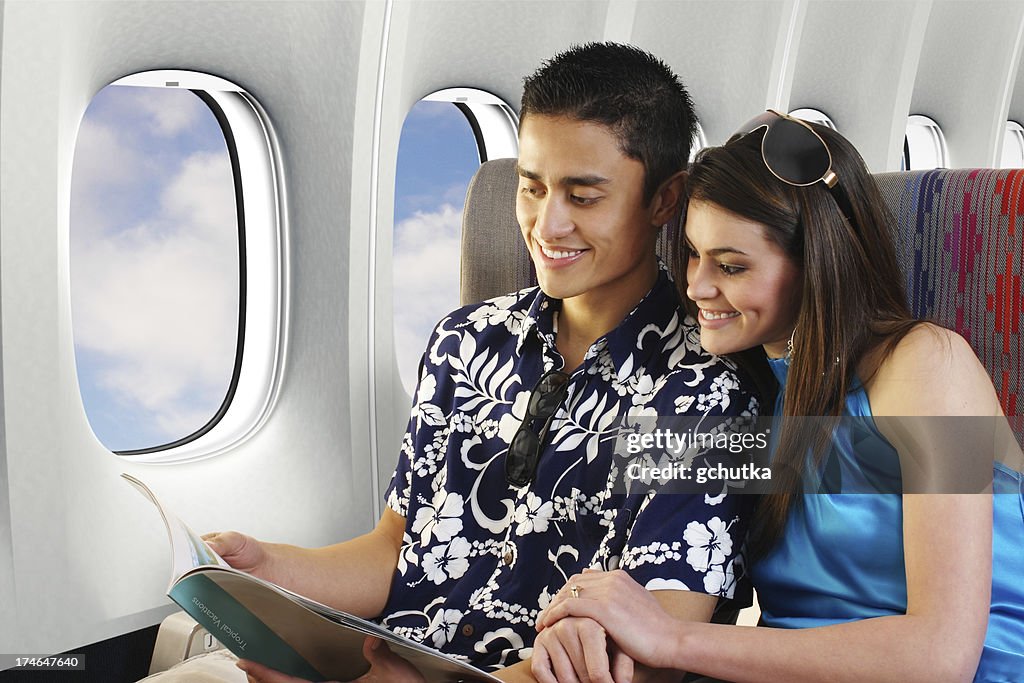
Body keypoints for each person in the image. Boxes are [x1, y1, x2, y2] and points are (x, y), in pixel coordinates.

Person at [218, 44, 760, 683]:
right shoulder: (463, 341)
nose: (546, 225)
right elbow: (398, 550)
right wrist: (269, 571)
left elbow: (650, 656)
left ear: (665, 200)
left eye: (583, 197)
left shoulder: (714, 393)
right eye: (532, 188)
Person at [532, 111, 1024, 682]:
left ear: (817, 265)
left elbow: (940, 659)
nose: (697, 287)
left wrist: (674, 639)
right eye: (693, 253)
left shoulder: (928, 368)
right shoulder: (742, 397)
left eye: (732, 266)